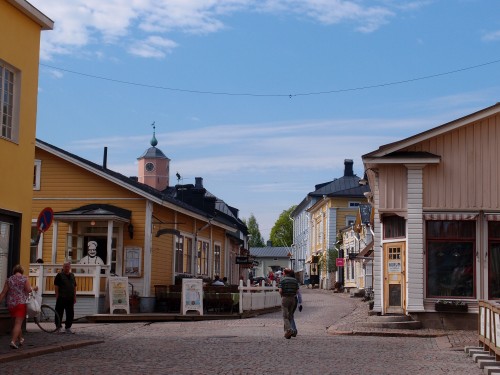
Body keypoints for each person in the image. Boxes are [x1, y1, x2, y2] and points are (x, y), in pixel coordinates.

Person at [0, 265, 38, 349]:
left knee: (16, 323)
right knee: (18, 323)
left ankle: (21, 339)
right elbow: (28, 290)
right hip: (21, 303)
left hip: (11, 304)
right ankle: (13, 341)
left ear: (14, 271)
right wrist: (34, 288)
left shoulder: (9, 280)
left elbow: (3, 293)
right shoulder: (24, 279)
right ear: (22, 271)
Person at [54, 261, 77, 334]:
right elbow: (56, 286)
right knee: (59, 312)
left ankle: (68, 327)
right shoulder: (59, 275)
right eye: (65, 266)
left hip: (70, 297)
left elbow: (74, 287)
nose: (67, 268)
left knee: (70, 313)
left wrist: (75, 297)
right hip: (61, 297)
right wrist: (57, 296)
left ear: (70, 267)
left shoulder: (72, 275)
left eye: (68, 266)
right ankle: (58, 327)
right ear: (63, 267)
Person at [278, 268, 300, 339]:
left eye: (283, 272)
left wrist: (282, 295)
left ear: (285, 273)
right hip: (293, 299)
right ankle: (289, 332)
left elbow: (280, 290)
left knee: (285, 316)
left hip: (285, 298)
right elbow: (297, 291)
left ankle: (289, 330)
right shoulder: (295, 280)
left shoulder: (283, 280)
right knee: (290, 315)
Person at [289, 270, 303, 337]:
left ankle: (293, 330)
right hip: (295, 299)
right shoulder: (295, 282)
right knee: (290, 315)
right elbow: (299, 293)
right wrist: (300, 303)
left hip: (288, 299)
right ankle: (292, 329)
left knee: (289, 315)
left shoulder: (285, 281)